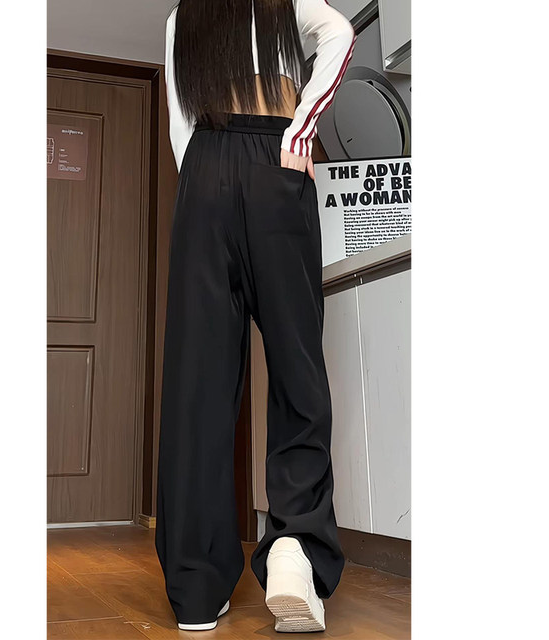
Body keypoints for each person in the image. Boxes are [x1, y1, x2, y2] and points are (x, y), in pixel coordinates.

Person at [154, 0, 356, 633]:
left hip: (204, 172)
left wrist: (203, 185)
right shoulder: (282, 1)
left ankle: (195, 588)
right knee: (297, 368)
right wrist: (301, 129)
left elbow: (181, 123)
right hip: (276, 161)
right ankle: (296, 550)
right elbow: (340, 32)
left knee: (199, 382)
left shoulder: (182, 17)